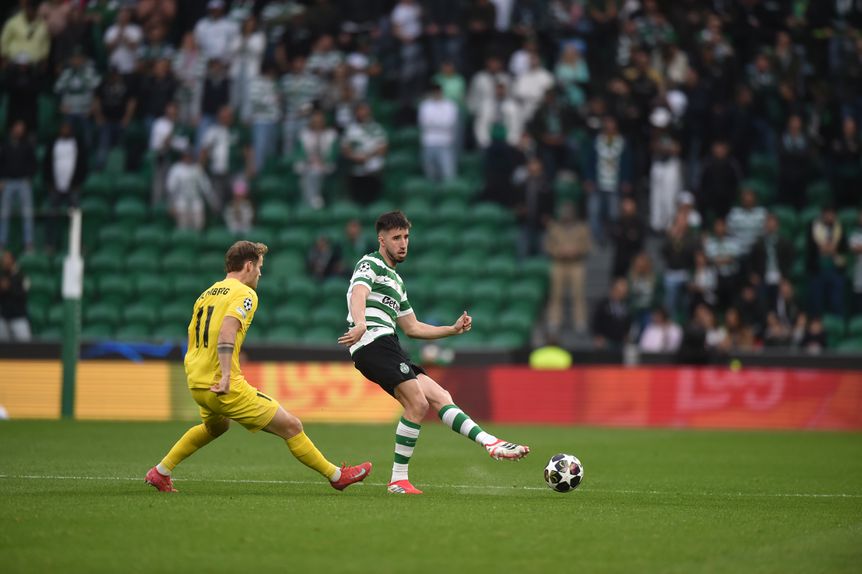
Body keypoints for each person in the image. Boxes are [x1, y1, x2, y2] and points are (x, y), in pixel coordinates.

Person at [146, 241, 371, 493]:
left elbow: (193, 337)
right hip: (222, 383)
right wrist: (226, 376)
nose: (261, 274)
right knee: (292, 426)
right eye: (260, 267)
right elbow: (226, 331)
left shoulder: (207, 294)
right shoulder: (245, 293)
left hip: (197, 381)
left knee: (216, 427)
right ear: (249, 265)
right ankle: (337, 476)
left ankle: (161, 472)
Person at [339, 211, 529, 495]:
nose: (403, 243)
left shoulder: (396, 282)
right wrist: (362, 322)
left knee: (440, 397)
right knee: (417, 404)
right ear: (382, 240)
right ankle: (398, 480)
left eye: (406, 237)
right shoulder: (370, 263)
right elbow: (358, 293)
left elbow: (413, 327)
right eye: (396, 238)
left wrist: (451, 330)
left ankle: (491, 443)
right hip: (373, 341)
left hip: (388, 344)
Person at [544, 201, 591, 335]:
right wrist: (559, 251)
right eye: (564, 213)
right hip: (558, 263)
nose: (567, 216)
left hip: (576, 263)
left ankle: (580, 321)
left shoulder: (582, 228)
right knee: (555, 294)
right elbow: (548, 246)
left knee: (578, 294)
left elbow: (587, 246)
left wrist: (576, 250)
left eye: (569, 213)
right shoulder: (554, 227)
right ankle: (554, 321)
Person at [0, 121, 37, 252]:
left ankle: (28, 244)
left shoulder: (27, 145)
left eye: (21, 128)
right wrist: (2, 180)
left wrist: (29, 177)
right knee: (4, 214)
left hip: (23, 182)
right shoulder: (5, 145)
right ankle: (1, 244)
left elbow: (33, 164)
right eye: (17, 127)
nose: (19, 130)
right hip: (8, 182)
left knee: (27, 214)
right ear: (12, 129)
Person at [0, 250, 31, 342]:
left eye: (7, 258)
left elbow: (23, 293)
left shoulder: (21, 276)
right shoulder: (2, 275)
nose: (4, 261)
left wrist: (10, 286)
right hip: (3, 318)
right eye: (3, 258)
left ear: (13, 260)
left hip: (19, 318)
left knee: (25, 347)